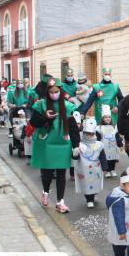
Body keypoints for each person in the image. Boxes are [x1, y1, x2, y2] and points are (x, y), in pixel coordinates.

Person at [29, 77, 80, 213]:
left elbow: (73, 126)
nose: (54, 94)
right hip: (46, 143)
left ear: (60, 91)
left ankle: (60, 202)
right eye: (51, 92)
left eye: (56, 91)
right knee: (48, 173)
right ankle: (45, 191)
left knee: (61, 173)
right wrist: (45, 117)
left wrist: (76, 145)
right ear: (47, 92)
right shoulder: (41, 104)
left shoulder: (68, 106)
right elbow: (33, 122)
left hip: (63, 144)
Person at [73, 118, 107, 208]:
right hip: (84, 169)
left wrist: (104, 167)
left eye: (91, 134)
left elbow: (102, 156)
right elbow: (75, 158)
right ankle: (89, 199)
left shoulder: (99, 144)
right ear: (84, 133)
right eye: (87, 134)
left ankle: (93, 195)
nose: (89, 136)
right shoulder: (80, 145)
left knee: (96, 183)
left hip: (96, 168)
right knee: (86, 184)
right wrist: (75, 153)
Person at [98, 105, 123, 177]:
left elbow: (117, 137)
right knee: (106, 159)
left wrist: (120, 145)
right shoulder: (99, 128)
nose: (108, 119)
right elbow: (98, 138)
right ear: (103, 119)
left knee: (113, 158)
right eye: (106, 117)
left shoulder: (114, 127)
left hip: (113, 146)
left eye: (109, 117)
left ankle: (113, 170)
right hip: (104, 146)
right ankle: (108, 171)